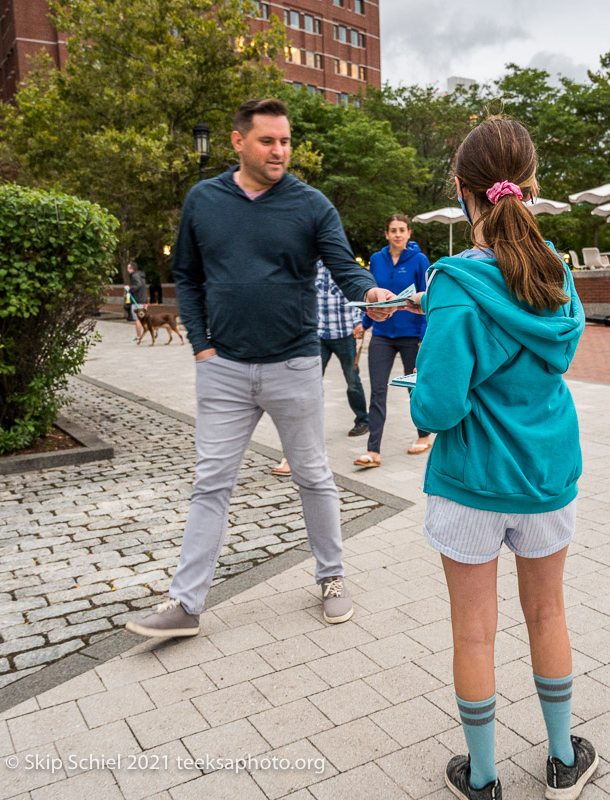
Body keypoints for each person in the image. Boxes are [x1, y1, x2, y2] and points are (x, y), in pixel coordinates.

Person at [125, 98, 394, 638]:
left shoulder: (311, 204)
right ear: (238, 141)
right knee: (210, 484)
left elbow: (344, 268)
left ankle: (332, 576)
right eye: (268, 141)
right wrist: (201, 345)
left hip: (294, 363)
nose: (280, 151)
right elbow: (188, 275)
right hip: (223, 369)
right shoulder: (204, 200)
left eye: (286, 141)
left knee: (314, 476)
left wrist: (371, 293)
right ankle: (185, 605)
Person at [406, 117, 597, 800]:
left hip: (469, 485)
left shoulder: (454, 284)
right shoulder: (559, 276)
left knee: (474, 635)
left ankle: (483, 776)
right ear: (530, 187)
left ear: (464, 193)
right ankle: (561, 761)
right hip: (546, 476)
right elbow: (559, 358)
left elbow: (437, 408)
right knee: (549, 615)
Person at [271, 260, 371, 476]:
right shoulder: (310, 266)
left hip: (345, 333)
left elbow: (355, 295)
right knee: (310, 385)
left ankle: (363, 420)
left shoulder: (341, 266)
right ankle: (305, 438)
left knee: (352, 381)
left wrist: (359, 322)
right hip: (318, 334)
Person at [353, 215, 431, 469]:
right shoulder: (376, 260)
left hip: (412, 335)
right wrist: (364, 325)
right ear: (386, 234)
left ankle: (423, 435)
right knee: (378, 390)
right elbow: (373, 297)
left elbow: (427, 300)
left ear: (409, 233)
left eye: (402, 230)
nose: (397, 234)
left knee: (413, 387)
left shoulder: (419, 260)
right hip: (383, 334)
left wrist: (424, 337)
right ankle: (373, 451)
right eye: (393, 231)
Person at [125, 261, 148, 341]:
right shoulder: (140, 276)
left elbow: (138, 285)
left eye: (128, 268)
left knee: (138, 319)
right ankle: (154, 330)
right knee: (143, 318)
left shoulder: (135, 276)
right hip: (143, 300)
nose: (127, 270)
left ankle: (139, 336)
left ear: (132, 269)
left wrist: (130, 288)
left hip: (137, 301)